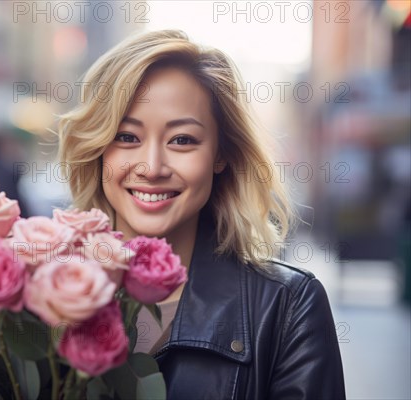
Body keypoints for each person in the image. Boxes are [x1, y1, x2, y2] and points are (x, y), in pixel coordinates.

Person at [56, 29, 346, 399]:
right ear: (97, 150)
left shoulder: (287, 307)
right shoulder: (27, 291)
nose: (152, 166)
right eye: (127, 137)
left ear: (220, 154)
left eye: (182, 140)